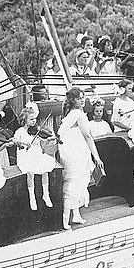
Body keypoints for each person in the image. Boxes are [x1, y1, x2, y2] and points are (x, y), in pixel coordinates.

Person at [57, 87, 104, 230]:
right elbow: (88, 136)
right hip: (75, 154)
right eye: (79, 98)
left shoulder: (71, 113)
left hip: (71, 152)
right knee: (74, 183)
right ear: (73, 100)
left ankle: (76, 215)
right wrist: (96, 156)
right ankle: (65, 219)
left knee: (77, 183)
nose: (82, 100)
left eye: (83, 97)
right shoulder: (79, 114)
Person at [14, 107, 57, 211]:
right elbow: (14, 140)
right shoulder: (20, 131)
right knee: (30, 173)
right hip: (25, 156)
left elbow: (43, 144)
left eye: (35, 119)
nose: (34, 121)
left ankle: (46, 194)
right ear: (25, 120)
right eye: (31, 119)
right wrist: (24, 143)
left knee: (45, 170)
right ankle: (32, 197)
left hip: (37, 155)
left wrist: (48, 140)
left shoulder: (37, 131)